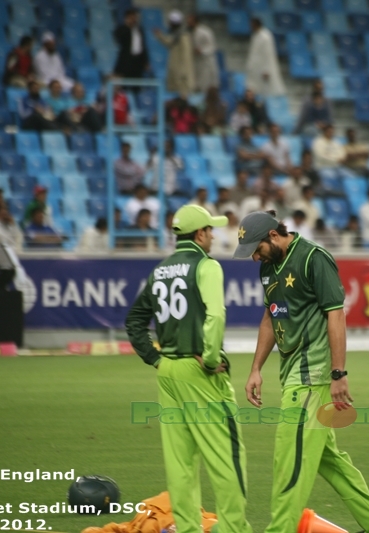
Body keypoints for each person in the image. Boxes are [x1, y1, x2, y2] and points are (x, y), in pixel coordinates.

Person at [233, 210, 369, 533]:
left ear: (273, 236)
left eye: (256, 249)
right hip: (293, 377)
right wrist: (255, 368)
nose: (253, 258)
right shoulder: (268, 267)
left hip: (310, 379)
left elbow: (336, 315)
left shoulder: (314, 258)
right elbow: (270, 317)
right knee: (331, 462)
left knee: (289, 465)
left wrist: (338, 374)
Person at [125, 205, 252, 533]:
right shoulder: (206, 266)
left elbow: (135, 320)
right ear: (199, 234)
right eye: (210, 230)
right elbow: (216, 316)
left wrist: (155, 359)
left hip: (168, 372)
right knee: (226, 457)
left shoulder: (160, 270)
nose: (212, 235)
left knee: (180, 463)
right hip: (199, 373)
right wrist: (211, 359)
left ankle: (188, 529)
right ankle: (233, 529)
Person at [153, 11, 195, 96]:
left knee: (183, 96)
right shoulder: (175, 35)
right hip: (176, 71)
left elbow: (186, 55)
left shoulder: (184, 35)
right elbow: (170, 42)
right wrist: (160, 36)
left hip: (182, 74)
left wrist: (183, 71)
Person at [245, 17, 285, 97]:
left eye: (251, 25)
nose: (250, 27)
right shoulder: (255, 36)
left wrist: (267, 70)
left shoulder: (266, 36)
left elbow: (268, 54)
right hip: (256, 69)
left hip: (263, 70)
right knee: (254, 91)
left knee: (266, 91)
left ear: (255, 24)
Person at [113, 8, 149, 80]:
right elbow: (119, 38)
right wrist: (128, 26)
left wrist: (145, 61)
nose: (134, 20)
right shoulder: (122, 29)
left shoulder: (140, 30)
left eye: (135, 17)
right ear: (127, 18)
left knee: (136, 85)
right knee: (125, 85)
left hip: (138, 62)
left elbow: (143, 47)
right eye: (132, 17)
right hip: (126, 62)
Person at [187, 14, 219, 93]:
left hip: (206, 63)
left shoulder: (205, 32)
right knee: (196, 87)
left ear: (195, 22)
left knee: (206, 86)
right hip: (196, 63)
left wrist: (201, 51)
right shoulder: (190, 33)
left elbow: (212, 47)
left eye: (190, 22)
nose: (188, 24)